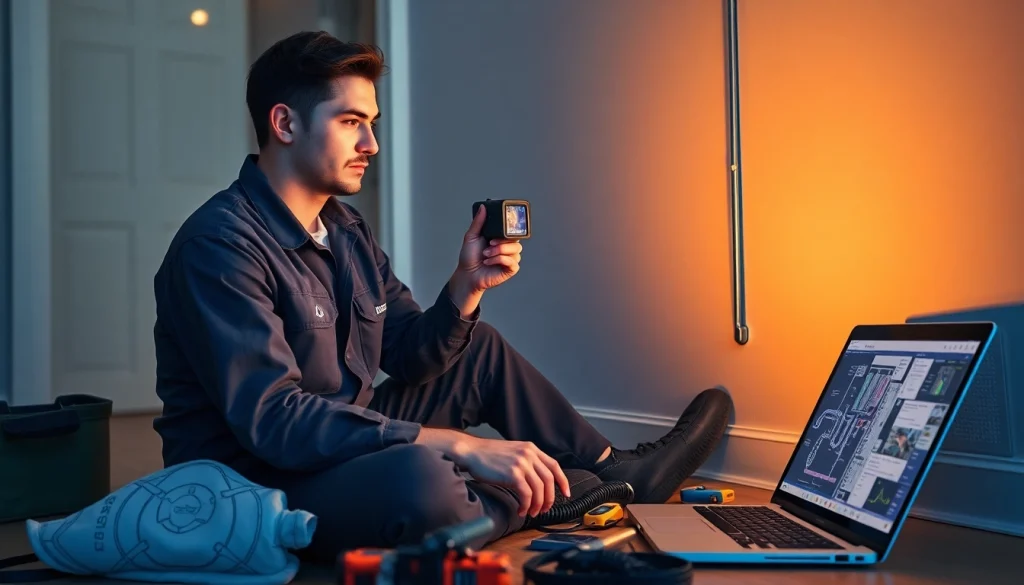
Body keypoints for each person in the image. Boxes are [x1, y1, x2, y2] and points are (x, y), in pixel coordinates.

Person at [152, 31, 733, 563]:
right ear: (285, 123)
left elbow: (409, 352)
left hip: (336, 441)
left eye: (372, 122)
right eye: (352, 121)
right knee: (421, 477)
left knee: (476, 349)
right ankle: (535, 498)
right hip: (252, 481)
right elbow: (275, 422)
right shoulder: (219, 246)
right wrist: (456, 446)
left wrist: (466, 287)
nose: (372, 143)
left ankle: (616, 471)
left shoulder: (345, 228)